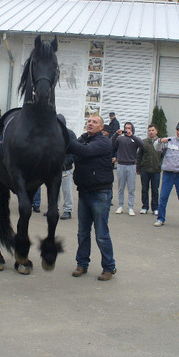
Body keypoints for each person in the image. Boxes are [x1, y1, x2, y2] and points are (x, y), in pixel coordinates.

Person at [68, 115, 116, 281]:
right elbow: (71, 152)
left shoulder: (102, 142)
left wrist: (66, 137)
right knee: (82, 232)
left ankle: (109, 267)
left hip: (100, 193)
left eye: (95, 122)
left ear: (102, 127)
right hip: (84, 192)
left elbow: (85, 152)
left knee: (101, 233)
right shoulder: (82, 140)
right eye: (89, 121)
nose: (90, 123)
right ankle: (82, 264)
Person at [112, 122, 143, 216]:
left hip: (131, 166)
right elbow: (112, 144)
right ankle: (120, 205)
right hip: (121, 165)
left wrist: (132, 136)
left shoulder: (135, 139)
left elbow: (142, 145)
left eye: (129, 128)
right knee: (121, 187)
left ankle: (130, 207)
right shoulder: (120, 139)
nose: (127, 130)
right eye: (126, 128)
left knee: (131, 188)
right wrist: (116, 134)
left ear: (132, 129)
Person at [136, 124, 162, 215]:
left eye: (153, 130)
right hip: (145, 170)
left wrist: (160, 165)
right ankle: (144, 206)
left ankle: (155, 208)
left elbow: (163, 156)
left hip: (156, 170)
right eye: (149, 130)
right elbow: (139, 156)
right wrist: (138, 168)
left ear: (156, 131)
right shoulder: (144, 142)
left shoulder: (160, 142)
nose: (151, 132)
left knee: (155, 190)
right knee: (144, 189)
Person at [57, 114, 76, 220]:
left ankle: (68, 210)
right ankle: (54, 208)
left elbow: (74, 151)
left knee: (67, 190)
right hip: (54, 169)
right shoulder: (52, 133)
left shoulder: (70, 134)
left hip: (66, 168)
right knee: (54, 190)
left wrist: (68, 162)